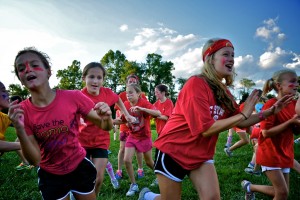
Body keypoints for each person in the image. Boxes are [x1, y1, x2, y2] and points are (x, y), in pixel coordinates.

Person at [138, 38, 292, 200]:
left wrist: (269, 112)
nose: (232, 59)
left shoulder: (225, 93)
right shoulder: (195, 84)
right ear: (210, 59)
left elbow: (240, 121)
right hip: (173, 150)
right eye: (226, 54)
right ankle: (148, 196)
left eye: (233, 55)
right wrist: (242, 114)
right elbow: (204, 129)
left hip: (200, 154)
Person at [9, 47, 113, 200]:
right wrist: (19, 129)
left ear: (49, 71)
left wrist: (108, 117)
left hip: (79, 167)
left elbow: (105, 126)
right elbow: (34, 160)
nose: (28, 69)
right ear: (20, 77)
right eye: (21, 68)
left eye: (34, 64)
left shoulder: (73, 97)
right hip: (50, 176)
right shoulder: (22, 111)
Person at [241, 69, 300, 200]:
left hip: (285, 152)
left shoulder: (294, 104)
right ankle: (250, 187)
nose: (297, 84)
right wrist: (291, 121)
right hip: (270, 152)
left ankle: (250, 187)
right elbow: (266, 133)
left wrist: (297, 123)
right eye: (292, 81)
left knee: (283, 193)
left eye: (297, 81)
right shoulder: (271, 104)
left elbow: (295, 131)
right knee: (282, 193)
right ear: (279, 86)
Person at [78, 62, 135, 195]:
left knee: (98, 179)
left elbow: (118, 100)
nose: (95, 81)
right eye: (91, 77)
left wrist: (127, 115)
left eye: (99, 78)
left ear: (103, 80)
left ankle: (93, 197)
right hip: (82, 142)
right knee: (84, 178)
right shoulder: (79, 96)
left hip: (101, 141)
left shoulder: (107, 93)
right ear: (84, 78)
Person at [114, 83, 161, 197]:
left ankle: (161, 177)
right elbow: (122, 120)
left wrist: (141, 108)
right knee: (127, 160)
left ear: (138, 94)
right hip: (132, 136)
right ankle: (134, 184)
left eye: (131, 92)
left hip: (145, 136)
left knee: (149, 162)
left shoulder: (144, 102)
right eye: (127, 92)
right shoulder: (125, 104)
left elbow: (158, 113)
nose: (128, 95)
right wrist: (108, 121)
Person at [115, 74, 145, 180]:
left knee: (138, 149)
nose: (132, 83)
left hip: (137, 128)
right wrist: (124, 120)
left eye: (134, 81)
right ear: (126, 83)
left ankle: (140, 169)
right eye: (130, 81)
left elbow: (144, 110)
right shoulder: (122, 95)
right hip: (125, 126)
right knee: (122, 148)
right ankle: (119, 170)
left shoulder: (142, 95)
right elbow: (118, 110)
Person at [244, 102, 264, 176]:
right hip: (257, 133)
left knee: (257, 150)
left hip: (257, 132)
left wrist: (251, 136)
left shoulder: (254, 115)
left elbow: (249, 127)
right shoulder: (261, 115)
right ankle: (254, 166)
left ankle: (254, 166)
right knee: (256, 150)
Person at [0, 82, 21, 153]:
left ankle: (26, 163)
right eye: (3, 90)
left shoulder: (3, 117)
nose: (8, 94)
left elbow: (26, 124)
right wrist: (26, 145)